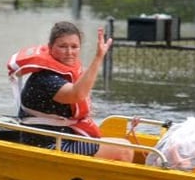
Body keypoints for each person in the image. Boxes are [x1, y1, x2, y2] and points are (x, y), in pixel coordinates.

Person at [7, 21, 134, 162]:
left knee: (123, 141)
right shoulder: (45, 78)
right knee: (125, 150)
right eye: (62, 46)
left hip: (63, 137)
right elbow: (76, 95)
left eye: (74, 47)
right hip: (46, 145)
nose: (69, 52)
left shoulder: (66, 73)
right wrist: (98, 57)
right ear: (50, 48)